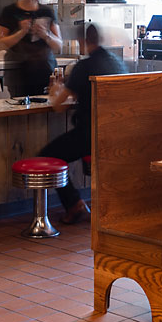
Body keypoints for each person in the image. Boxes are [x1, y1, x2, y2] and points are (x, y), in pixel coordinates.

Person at [41, 24, 126, 223]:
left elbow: (59, 106)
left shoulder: (83, 67)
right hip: (116, 132)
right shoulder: (116, 63)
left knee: (48, 156)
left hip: (90, 133)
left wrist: (55, 90)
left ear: (83, 42)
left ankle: (74, 205)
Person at [0, 0, 62, 97]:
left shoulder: (46, 12)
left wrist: (45, 34)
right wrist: (21, 32)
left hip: (45, 72)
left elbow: (58, 46)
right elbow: (0, 44)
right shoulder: (9, 12)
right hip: (18, 75)